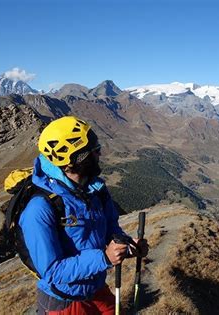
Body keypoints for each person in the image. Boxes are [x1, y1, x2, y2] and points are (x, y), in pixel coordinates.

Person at [19, 116, 148, 314]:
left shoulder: (95, 190)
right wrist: (104, 259)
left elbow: (110, 229)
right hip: (64, 301)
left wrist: (128, 245)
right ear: (73, 160)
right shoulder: (39, 209)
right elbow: (52, 272)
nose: (100, 153)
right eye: (93, 150)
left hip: (95, 287)